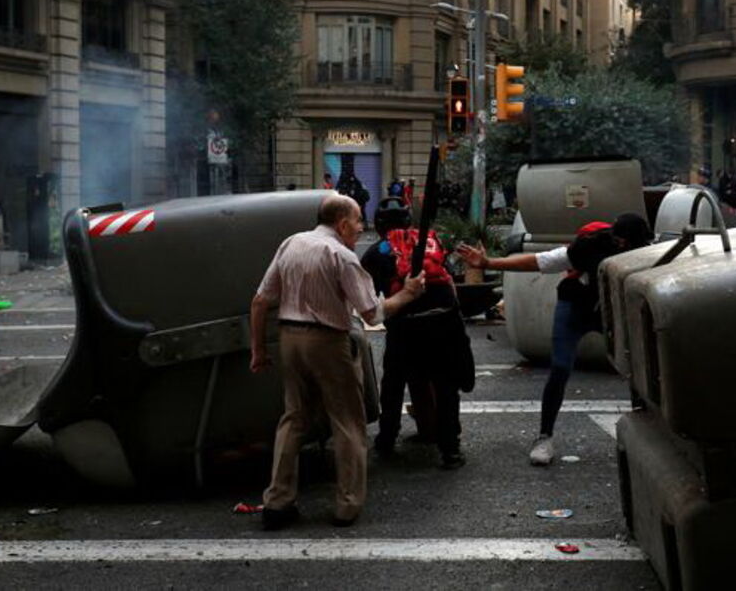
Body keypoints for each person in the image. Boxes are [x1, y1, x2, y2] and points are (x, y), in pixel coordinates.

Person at [250, 194, 425, 530]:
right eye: (359, 221)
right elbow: (372, 312)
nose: (361, 228)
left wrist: (259, 350)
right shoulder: (341, 256)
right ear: (343, 223)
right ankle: (346, 505)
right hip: (327, 341)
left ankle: (277, 502)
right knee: (346, 420)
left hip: (289, 338)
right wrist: (407, 293)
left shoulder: (291, 243)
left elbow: (260, 301)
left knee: (294, 419)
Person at [457, 213, 653, 466]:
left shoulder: (649, 254)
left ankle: (648, 434)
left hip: (611, 309)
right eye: (619, 244)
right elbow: (540, 261)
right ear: (615, 240)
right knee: (560, 367)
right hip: (575, 306)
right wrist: (488, 263)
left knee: (639, 368)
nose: (622, 249)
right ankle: (544, 436)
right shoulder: (589, 246)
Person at [361, 198, 474, 469]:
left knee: (393, 385)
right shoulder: (433, 243)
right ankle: (451, 450)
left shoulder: (376, 252)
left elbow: (371, 302)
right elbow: (448, 282)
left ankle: (387, 439)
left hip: (405, 326)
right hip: (445, 323)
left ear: (378, 225)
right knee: (446, 387)